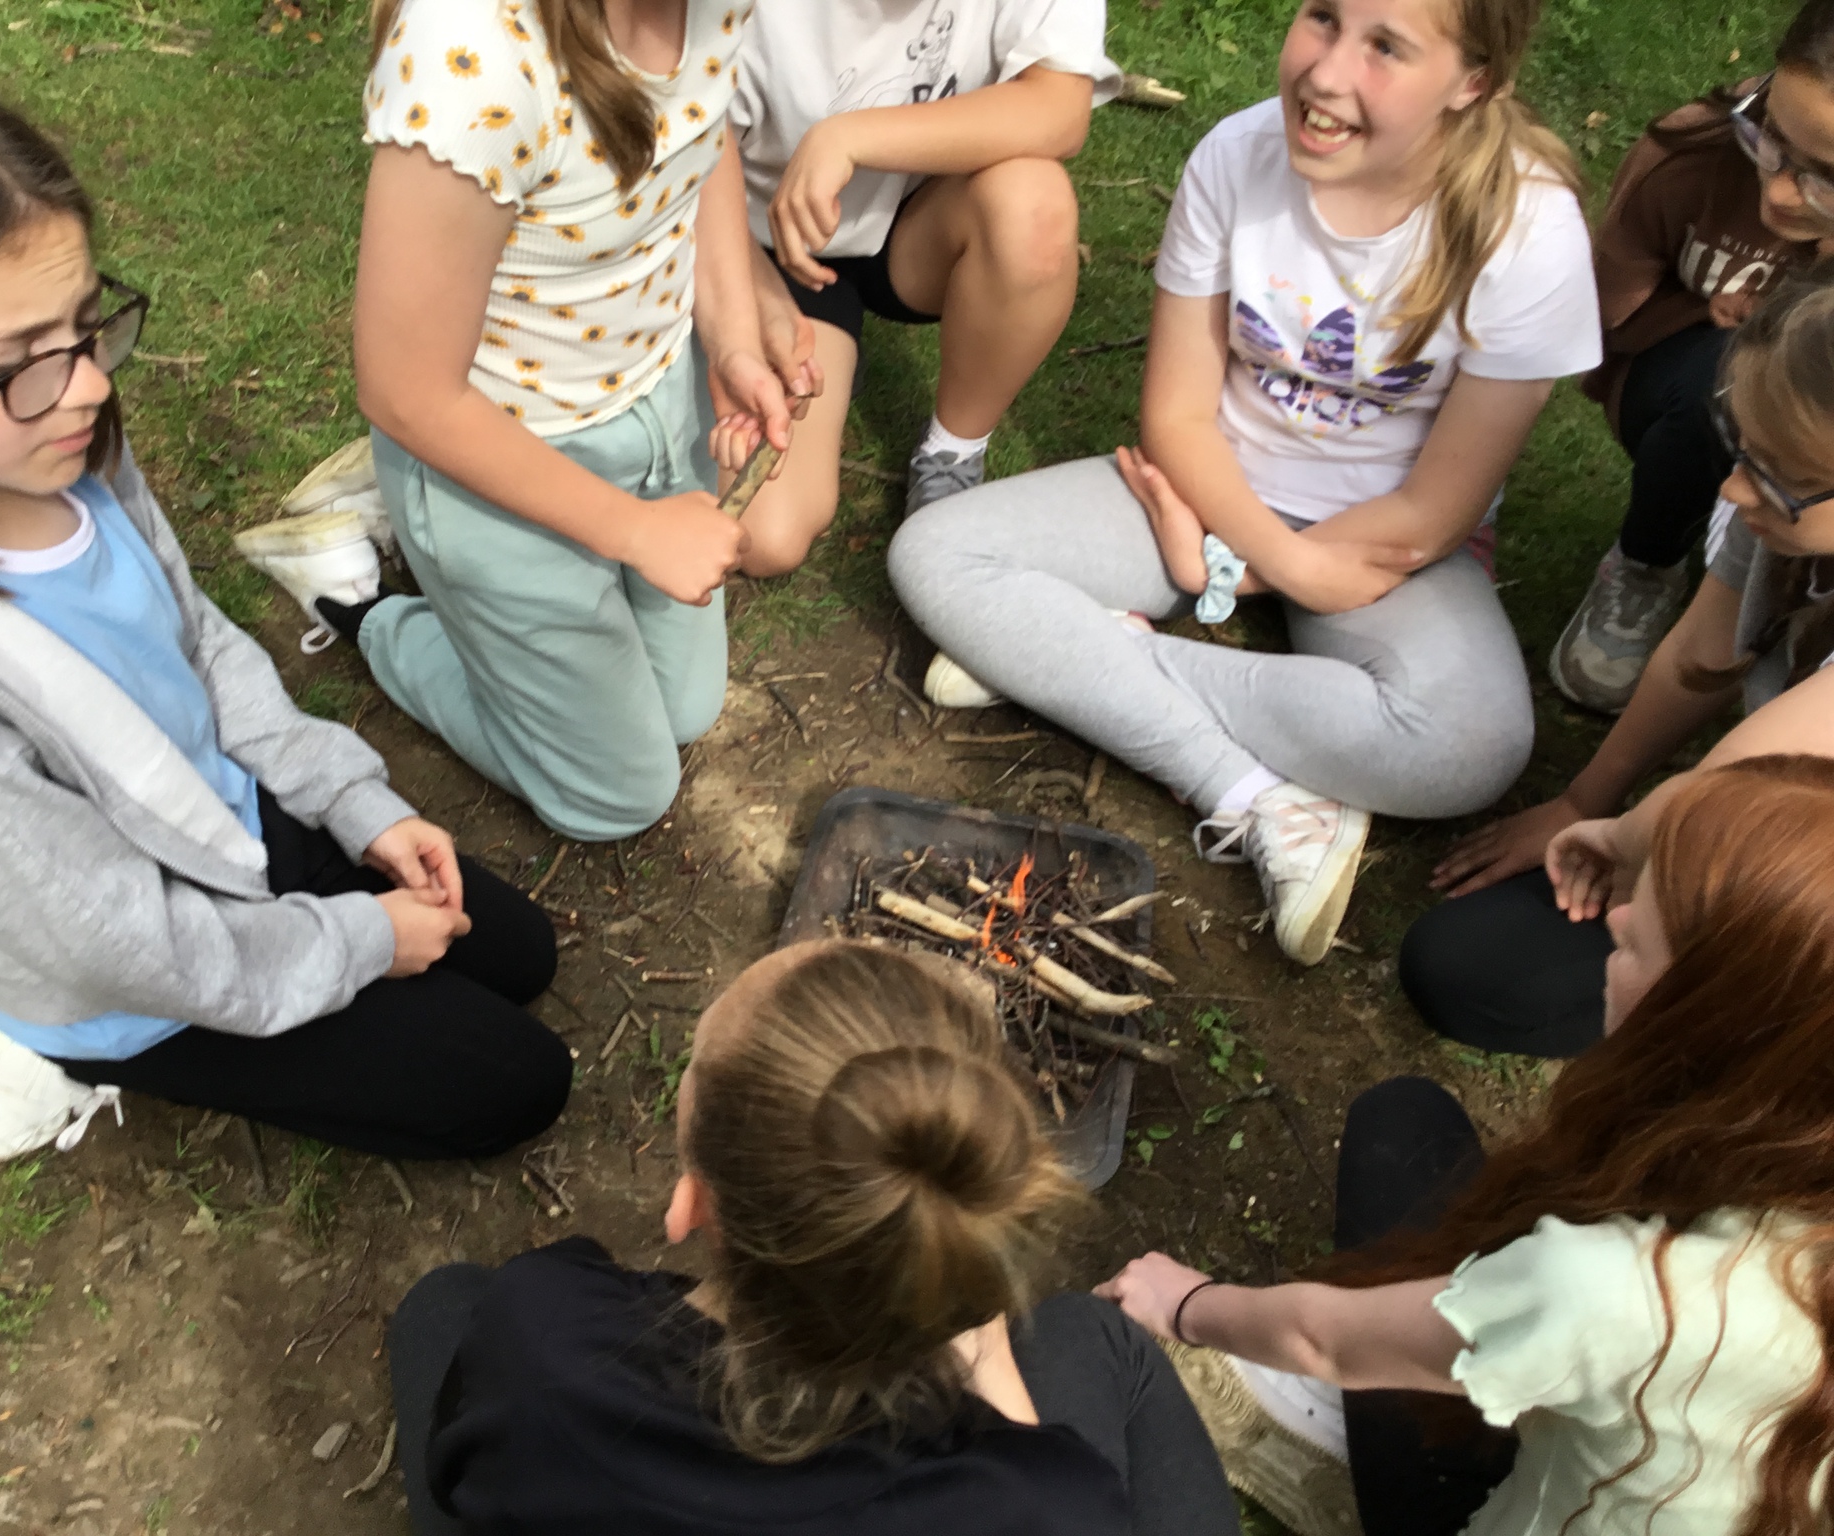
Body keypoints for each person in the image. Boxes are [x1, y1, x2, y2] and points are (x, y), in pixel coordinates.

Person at [0, 60, 573, 1166]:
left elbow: (194, 637)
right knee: (517, 1086)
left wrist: (352, 803)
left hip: (209, 818)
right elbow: (113, 938)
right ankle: (42, 1047)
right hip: (126, 976)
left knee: (520, 954)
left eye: (85, 325)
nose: (91, 385)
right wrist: (353, 941)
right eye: (22, 361)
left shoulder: (57, 440)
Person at [889, 0, 1600, 967]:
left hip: (1386, 548)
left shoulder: (1530, 226)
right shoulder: (1236, 154)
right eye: (1324, 18)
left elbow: (1432, 513)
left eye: (1386, 48)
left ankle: (1079, 660)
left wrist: (1230, 575)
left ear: (1473, 81)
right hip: (1203, 487)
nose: (1326, 73)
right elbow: (1178, 419)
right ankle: (1259, 800)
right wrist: (1254, 555)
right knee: (937, 552)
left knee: (1469, 745)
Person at [1101, 755, 1834, 1536]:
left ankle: (1322, 1448)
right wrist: (1623, 834)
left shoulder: (1618, 1293)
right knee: (1409, 1126)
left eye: (1640, 940)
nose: (1617, 920)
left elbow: (1323, 1343)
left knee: (1393, 1161)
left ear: (1701, 1027)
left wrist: (1184, 1304)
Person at [386, 942, 1241, 1536]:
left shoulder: (537, 1336)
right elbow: (1029, 1470)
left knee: (444, 1304)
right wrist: (976, 1332)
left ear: (691, 1204)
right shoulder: (1040, 1506)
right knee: (1098, 1337)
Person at [241, 0, 803, 847]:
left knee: (686, 710)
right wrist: (635, 531)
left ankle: (492, 614)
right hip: (496, 454)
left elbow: (701, 135)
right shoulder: (471, 56)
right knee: (618, 796)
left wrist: (730, 340)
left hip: (659, 400)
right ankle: (366, 604)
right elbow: (402, 389)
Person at [1413, 263, 1834, 1057]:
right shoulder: (1781, 513)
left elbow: (1724, 805)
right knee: (1467, 964)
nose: (1735, 491)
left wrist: (1639, 841)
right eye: (1740, 448)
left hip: (1791, 882)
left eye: (1778, 477)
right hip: (1752, 834)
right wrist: (1585, 802)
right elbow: (1699, 656)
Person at [723, 0, 1120, 573]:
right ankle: (812, 354)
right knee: (765, 538)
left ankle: (952, 454)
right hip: (760, 238)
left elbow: (1059, 108)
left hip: (918, 219)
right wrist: (758, 301)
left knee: (1033, 205)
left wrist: (847, 137)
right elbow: (678, 173)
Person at [1549, 0, 1834, 715]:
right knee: (1732, 380)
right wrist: (1708, 318)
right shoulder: (1689, 158)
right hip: (1676, 387)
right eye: (1771, 140)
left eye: (1825, 179)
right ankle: (1648, 562)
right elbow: (1595, 322)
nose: (1779, 190)